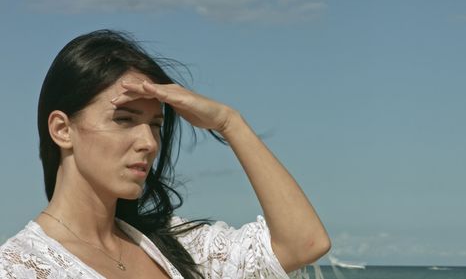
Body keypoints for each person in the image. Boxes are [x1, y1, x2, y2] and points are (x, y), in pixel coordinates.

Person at [0, 29, 330, 279]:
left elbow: (304, 244)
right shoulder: (19, 268)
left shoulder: (177, 247)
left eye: (155, 125)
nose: (149, 142)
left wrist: (230, 123)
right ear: (62, 129)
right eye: (124, 119)